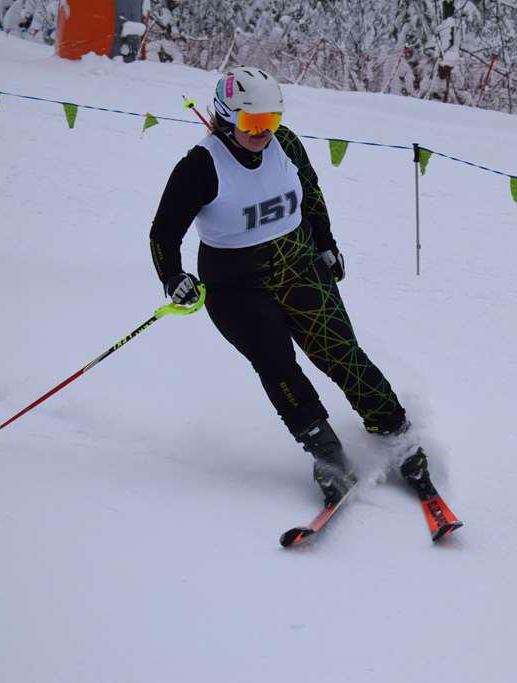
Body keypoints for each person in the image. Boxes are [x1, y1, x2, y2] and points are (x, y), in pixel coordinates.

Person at [149, 67, 431, 507]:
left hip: (300, 266)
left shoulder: (287, 143)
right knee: (277, 364)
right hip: (236, 286)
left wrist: (327, 245)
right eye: (251, 122)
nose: (262, 132)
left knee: (341, 352)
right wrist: (173, 276)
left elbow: (311, 194)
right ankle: (328, 456)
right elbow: (164, 232)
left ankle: (398, 436)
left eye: (270, 120)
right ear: (226, 117)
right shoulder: (200, 167)